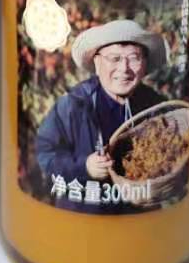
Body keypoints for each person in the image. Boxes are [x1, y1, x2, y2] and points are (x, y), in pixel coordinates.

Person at [34, 19, 168, 212]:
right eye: (114, 58)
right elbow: (44, 153)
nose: (124, 68)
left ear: (145, 64)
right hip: (83, 213)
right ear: (97, 63)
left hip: (141, 215)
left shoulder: (156, 105)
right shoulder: (74, 104)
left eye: (134, 58)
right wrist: (84, 167)